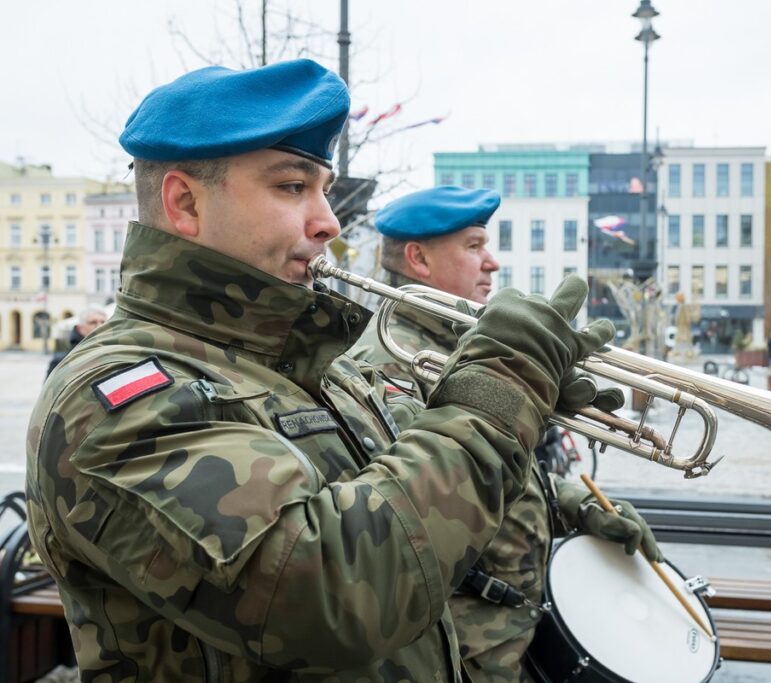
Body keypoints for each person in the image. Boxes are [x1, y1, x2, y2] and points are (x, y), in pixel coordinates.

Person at [25, 60, 617, 682]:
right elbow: (333, 594)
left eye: (324, 191)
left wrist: (521, 415)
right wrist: (493, 399)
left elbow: (410, 491)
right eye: (291, 187)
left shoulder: (304, 365)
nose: (328, 222)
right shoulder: (117, 397)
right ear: (185, 202)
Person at [350, 186, 662, 683]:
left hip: (508, 632)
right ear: (418, 259)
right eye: (474, 246)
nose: (492, 263)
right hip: (460, 647)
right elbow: (416, 502)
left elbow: (493, 472)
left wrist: (574, 504)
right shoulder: (388, 361)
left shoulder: (464, 344)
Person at [45, 306, 107, 377]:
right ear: (80, 328)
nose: (100, 326)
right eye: (93, 322)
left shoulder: (112, 352)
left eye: (103, 322)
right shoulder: (62, 360)